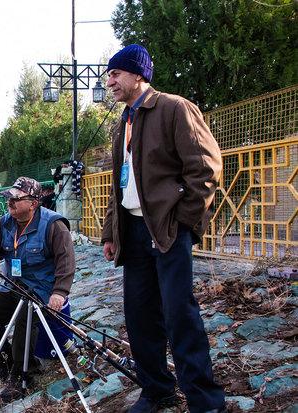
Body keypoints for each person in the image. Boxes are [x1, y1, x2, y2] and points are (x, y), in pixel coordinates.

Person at [101, 44, 226, 413]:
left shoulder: (174, 108)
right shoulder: (122, 122)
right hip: (134, 233)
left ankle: (206, 402)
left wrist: (182, 222)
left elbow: (206, 170)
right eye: (109, 75)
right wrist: (111, 233)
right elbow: (118, 185)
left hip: (168, 232)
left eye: (115, 74)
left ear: (138, 75)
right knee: (140, 318)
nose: (109, 82)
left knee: (179, 316)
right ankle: (157, 390)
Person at [0, 177, 75, 402]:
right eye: (8, 198)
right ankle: (6, 365)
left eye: (16, 198)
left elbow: (66, 261)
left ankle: (24, 376)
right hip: (13, 285)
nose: (9, 202)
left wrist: (59, 292)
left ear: (33, 203)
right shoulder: (2, 224)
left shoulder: (54, 225)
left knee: (25, 318)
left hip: (41, 289)